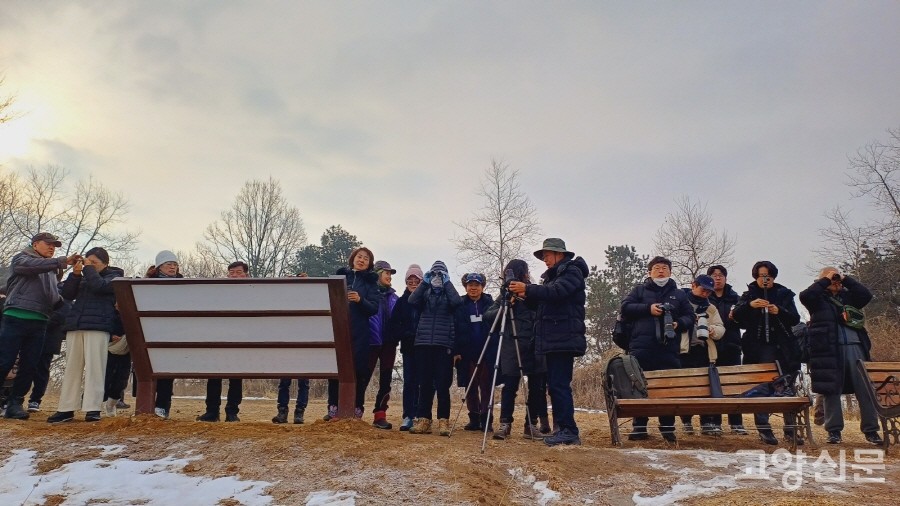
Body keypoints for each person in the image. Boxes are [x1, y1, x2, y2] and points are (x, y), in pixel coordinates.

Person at [508, 238, 589, 446]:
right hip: (555, 338)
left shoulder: (572, 272)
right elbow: (544, 304)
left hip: (563, 337)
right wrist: (524, 296)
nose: (545, 260)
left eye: (547, 255)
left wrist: (528, 288)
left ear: (559, 254)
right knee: (555, 386)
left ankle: (569, 430)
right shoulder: (553, 277)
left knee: (559, 385)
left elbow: (557, 292)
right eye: (543, 256)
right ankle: (563, 429)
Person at [0, 232, 80, 420]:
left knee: (30, 365)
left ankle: (15, 403)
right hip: (15, 316)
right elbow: (30, 266)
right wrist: (62, 261)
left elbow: (55, 296)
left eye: (55, 245)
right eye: (48, 244)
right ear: (35, 244)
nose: (52, 247)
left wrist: (75, 279)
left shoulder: (52, 270)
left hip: (40, 320)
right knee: (5, 361)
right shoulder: (21, 258)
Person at [800, 267, 883, 446]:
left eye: (837, 277)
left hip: (856, 346)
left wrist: (846, 279)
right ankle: (834, 431)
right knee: (831, 390)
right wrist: (825, 280)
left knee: (865, 390)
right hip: (829, 349)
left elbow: (865, 295)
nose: (835, 281)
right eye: (832, 278)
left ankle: (871, 430)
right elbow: (806, 296)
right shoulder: (817, 300)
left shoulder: (848, 297)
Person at [619, 255, 694, 443]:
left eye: (665, 268)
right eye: (657, 268)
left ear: (670, 272)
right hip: (641, 347)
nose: (661, 271)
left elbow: (690, 316)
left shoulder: (679, 294)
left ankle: (667, 428)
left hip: (669, 349)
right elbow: (625, 307)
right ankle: (639, 427)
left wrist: (679, 323)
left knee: (668, 388)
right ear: (649, 272)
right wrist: (648, 309)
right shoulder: (639, 290)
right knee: (639, 386)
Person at [48, 247, 124, 423]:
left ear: (105, 263)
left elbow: (99, 287)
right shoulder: (84, 277)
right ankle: (66, 408)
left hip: (98, 327)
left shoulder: (114, 277)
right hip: (76, 325)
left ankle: (93, 408)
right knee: (72, 368)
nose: (90, 265)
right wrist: (75, 275)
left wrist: (88, 269)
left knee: (95, 369)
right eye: (88, 261)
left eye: (95, 262)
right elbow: (67, 294)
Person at [732, 260, 802, 445]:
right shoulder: (748, 295)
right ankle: (764, 428)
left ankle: (791, 429)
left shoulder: (784, 294)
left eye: (769, 276)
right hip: (757, 348)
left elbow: (795, 319)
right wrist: (751, 306)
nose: (765, 280)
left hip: (783, 348)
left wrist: (779, 311)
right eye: (762, 276)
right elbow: (736, 317)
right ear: (756, 277)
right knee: (761, 387)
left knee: (787, 386)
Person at [486, 260, 548, 440]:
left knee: (536, 387)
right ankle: (505, 424)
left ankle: (531, 425)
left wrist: (527, 296)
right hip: (512, 345)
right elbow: (488, 316)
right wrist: (506, 305)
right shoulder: (505, 296)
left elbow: (543, 312)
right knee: (510, 386)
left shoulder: (533, 293)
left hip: (534, 344)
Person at [408, 260, 463, 436]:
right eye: (435, 274)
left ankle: (443, 421)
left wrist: (447, 283)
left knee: (442, 385)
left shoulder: (449, 294)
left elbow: (457, 302)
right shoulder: (425, 294)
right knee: (424, 384)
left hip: (443, 345)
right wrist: (425, 282)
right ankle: (424, 420)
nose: (437, 277)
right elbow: (412, 300)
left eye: (441, 274)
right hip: (423, 343)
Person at [325, 247, 380, 420]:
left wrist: (360, 300)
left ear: (369, 264)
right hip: (338, 328)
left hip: (360, 332)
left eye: (366, 258)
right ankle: (333, 407)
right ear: (353, 259)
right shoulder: (340, 277)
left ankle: (357, 407)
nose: (361, 260)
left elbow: (374, 308)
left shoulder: (371, 283)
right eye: (359, 256)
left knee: (359, 371)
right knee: (336, 369)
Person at [197, 261, 249, 422]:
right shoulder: (219, 292)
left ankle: (232, 411)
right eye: (231, 272)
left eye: (238, 272)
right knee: (214, 375)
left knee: (236, 377)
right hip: (218, 337)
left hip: (240, 339)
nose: (235, 276)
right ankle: (212, 411)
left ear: (246, 275)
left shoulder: (251, 293)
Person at [678, 274, 726, 435]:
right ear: (693, 285)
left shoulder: (711, 308)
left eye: (708, 291)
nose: (705, 293)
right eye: (703, 290)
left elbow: (720, 327)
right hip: (683, 351)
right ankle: (686, 420)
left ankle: (706, 422)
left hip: (704, 351)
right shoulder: (681, 302)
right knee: (686, 388)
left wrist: (713, 330)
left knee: (706, 388)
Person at [706, 265, 748, 435]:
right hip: (710, 347)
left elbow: (745, 324)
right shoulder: (705, 298)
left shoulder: (735, 298)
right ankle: (714, 422)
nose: (717, 278)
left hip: (732, 346)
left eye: (720, 275)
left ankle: (736, 423)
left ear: (725, 278)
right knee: (713, 385)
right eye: (714, 275)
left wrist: (736, 318)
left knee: (734, 385)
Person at [455, 272, 495, 432]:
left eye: (476, 285)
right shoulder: (459, 304)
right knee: (470, 386)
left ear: (482, 286)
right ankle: (474, 417)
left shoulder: (490, 303)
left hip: (487, 351)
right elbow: (454, 328)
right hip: (466, 352)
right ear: (465, 287)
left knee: (487, 386)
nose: (473, 288)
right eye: (470, 285)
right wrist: (456, 351)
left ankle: (486, 419)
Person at [387, 264, 423, 431]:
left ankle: (421, 415)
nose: (413, 283)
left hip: (425, 347)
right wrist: (405, 333)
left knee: (424, 382)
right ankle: (408, 415)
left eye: (416, 280)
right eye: (410, 281)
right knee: (409, 382)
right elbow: (394, 325)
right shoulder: (401, 302)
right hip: (408, 347)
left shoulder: (426, 300)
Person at [147, 250, 182, 419]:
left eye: (175, 264)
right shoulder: (147, 284)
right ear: (159, 266)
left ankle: (162, 406)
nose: (172, 267)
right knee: (148, 368)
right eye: (169, 264)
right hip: (151, 331)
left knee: (167, 371)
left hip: (174, 332)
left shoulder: (183, 285)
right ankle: (146, 405)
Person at [365, 260, 399, 429]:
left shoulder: (395, 298)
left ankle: (380, 415)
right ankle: (355, 412)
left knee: (385, 381)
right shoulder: (368, 294)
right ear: (378, 274)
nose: (389, 276)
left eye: (390, 274)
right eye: (387, 273)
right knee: (363, 377)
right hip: (371, 341)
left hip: (389, 344)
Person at [26, 282, 70, 413]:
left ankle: (35, 400)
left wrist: (39, 322)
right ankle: (16, 398)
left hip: (48, 339)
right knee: (25, 367)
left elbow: (61, 315)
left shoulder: (65, 293)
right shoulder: (36, 289)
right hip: (30, 336)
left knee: (42, 369)